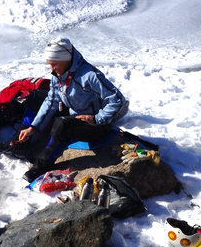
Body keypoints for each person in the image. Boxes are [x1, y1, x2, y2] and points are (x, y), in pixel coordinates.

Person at [18, 38, 128, 182]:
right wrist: (33, 127)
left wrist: (97, 118)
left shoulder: (89, 75)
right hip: (76, 117)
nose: (51, 68)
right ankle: (21, 145)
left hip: (96, 126)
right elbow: (51, 102)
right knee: (38, 97)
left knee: (62, 124)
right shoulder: (58, 75)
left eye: (54, 64)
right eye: (49, 64)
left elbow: (118, 99)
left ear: (65, 59)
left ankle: (42, 165)